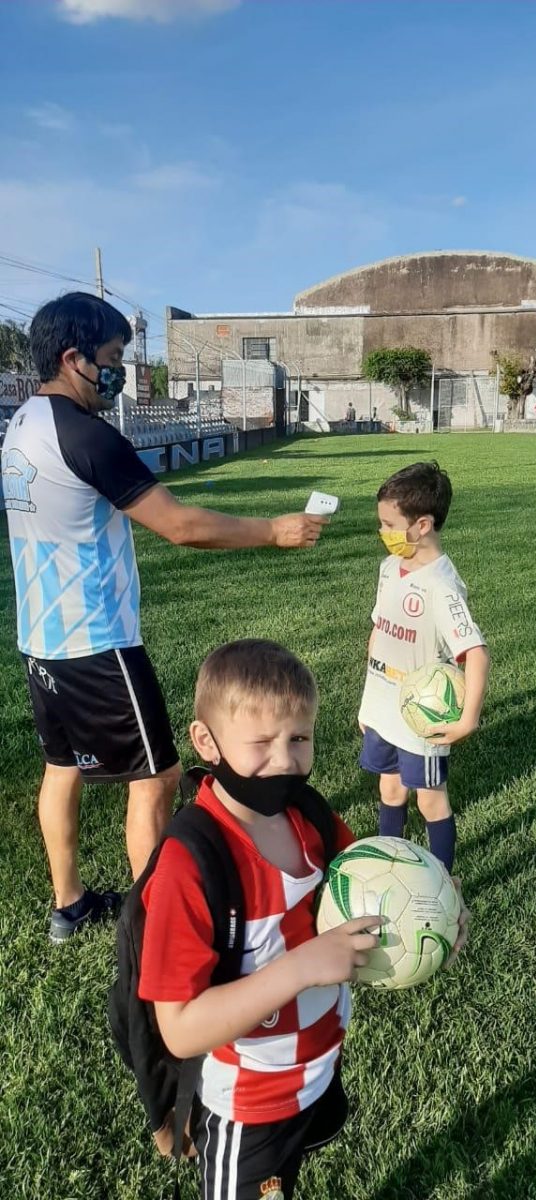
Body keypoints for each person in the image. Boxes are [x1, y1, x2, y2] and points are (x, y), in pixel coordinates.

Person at [0, 293, 327, 943]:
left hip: (40, 642)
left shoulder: (21, 424)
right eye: (114, 359)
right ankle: (161, 924)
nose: (120, 371)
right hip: (96, 640)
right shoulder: (86, 433)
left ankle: (68, 904)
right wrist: (273, 531)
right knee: (157, 777)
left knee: (62, 767)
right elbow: (178, 525)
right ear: (74, 359)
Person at [138, 639, 469, 1197]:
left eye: (299, 739)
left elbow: (371, 887)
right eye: (261, 743)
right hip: (248, 1105)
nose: (286, 760)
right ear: (207, 741)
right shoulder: (192, 863)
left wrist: (432, 908)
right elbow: (179, 1027)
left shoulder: (309, 817)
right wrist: (301, 967)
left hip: (316, 1073)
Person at [358, 461, 490, 872]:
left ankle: (440, 881)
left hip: (421, 718)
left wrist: (467, 720)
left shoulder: (441, 586)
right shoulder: (388, 569)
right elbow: (379, 627)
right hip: (383, 710)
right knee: (391, 787)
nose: (382, 533)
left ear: (422, 525)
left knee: (430, 797)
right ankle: (389, 869)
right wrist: (370, 705)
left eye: (388, 524)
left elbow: (477, 653)